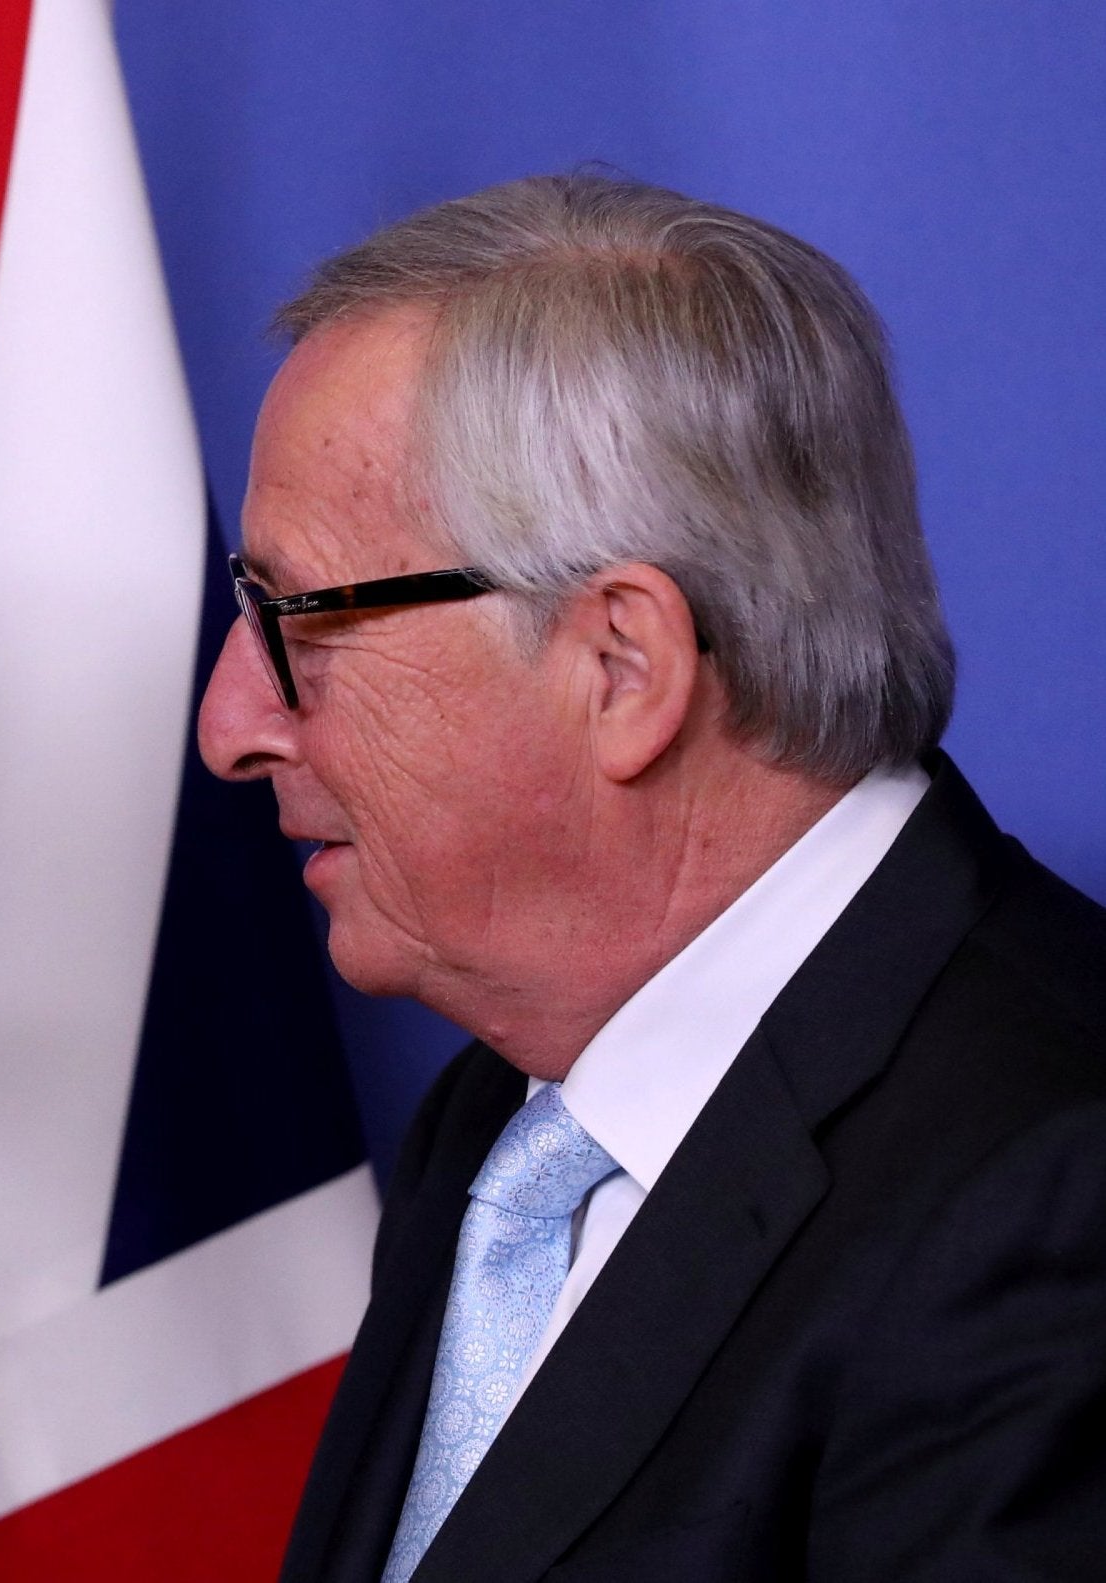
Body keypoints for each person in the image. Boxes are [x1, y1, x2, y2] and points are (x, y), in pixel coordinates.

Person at [199, 174, 1106, 1581]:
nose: (229, 727)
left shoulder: (1057, 1190)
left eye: (293, 619)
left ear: (620, 664)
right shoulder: (510, 1120)